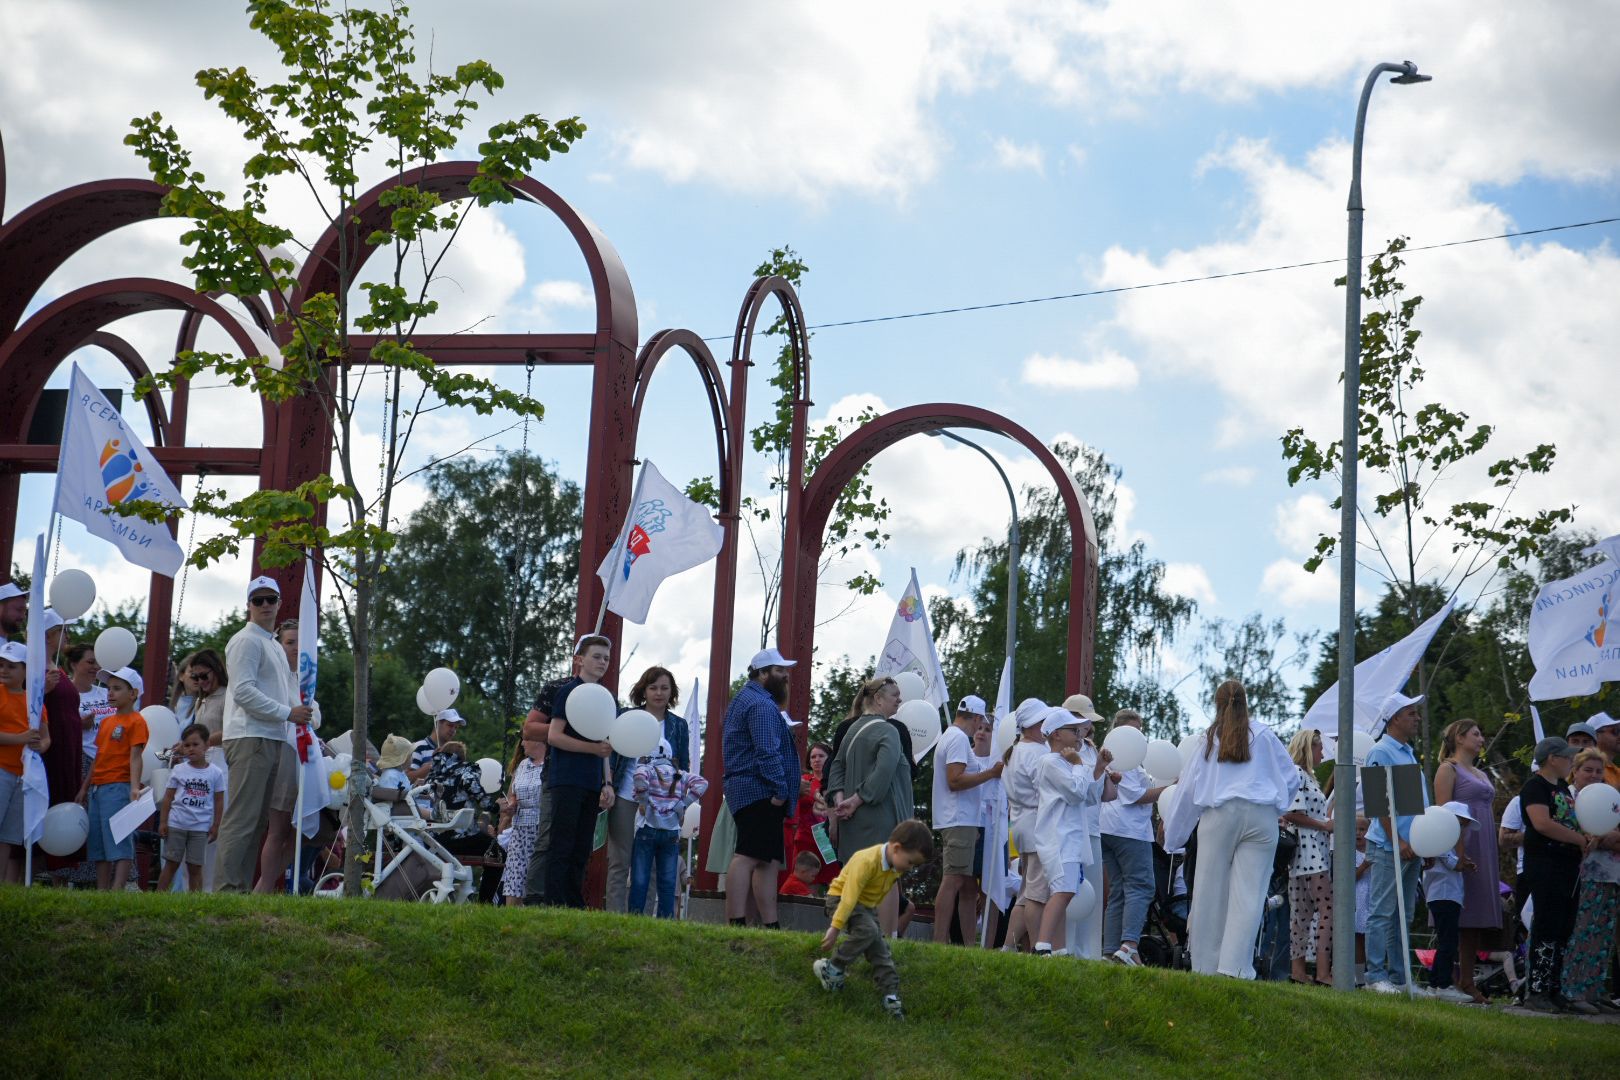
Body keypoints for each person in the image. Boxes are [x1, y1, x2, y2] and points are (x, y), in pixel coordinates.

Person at [1164, 680, 1299, 980]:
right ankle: (1235, 968)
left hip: (1220, 815)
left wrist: (1174, 838)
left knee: (1209, 892)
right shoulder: (1264, 735)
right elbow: (1292, 777)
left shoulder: (1208, 739)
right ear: (1246, 702)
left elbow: (1187, 791)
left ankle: (1205, 967)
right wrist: (1275, 806)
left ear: (1217, 703)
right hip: (1262, 817)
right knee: (1249, 896)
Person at [216, 576, 312, 894]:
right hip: (249, 737)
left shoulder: (270, 643)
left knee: (256, 822)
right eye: (258, 600)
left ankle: (238, 890)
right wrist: (289, 713)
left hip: (267, 737)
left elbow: (286, 693)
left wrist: (301, 711)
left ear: (280, 602)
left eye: (271, 598)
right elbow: (242, 692)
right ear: (249, 605)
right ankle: (227, 891)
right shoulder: (246, 641)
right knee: (243, 819)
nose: (265, 605)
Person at [812, 818, 935, 1022]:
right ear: (896, 848)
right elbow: (849, 897)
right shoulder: (867, 861)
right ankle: (831, 968)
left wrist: (873, 923)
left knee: (881, 950)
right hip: (840, 899)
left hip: (865, 909)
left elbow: (873, 899)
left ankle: (891, 997)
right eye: (910, 862)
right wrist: (835, 929)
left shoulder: (895, 867)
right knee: (868, 931)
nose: (910, 868)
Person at [721, 648, 802, 929]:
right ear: (763, 673)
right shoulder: (761, 706)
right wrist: (781, 791)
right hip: (759, 790)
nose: (785, 676)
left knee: (767, 860)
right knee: (747, 856)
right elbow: (767, 751)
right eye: (780, 671)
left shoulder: (750, 700)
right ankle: (736, 921)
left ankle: (770, 924)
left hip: (753, 788)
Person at [825, 676, 912, 934]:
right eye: (895, 694)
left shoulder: (851, 729)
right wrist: (855, 800)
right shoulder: (889, 730)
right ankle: (886, 938)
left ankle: (858, 936)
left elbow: (836, 767)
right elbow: (882, 774)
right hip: (881, 817)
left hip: (853, 821)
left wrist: (841, 800)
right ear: (877, 698)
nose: (900, 699)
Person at [1518, 736, 1596, 1012]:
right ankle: (1536, 990)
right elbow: (1542, 823)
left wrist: (1585, 834)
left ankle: (1554, 988)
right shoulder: (1535, 787)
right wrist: (1576, 838)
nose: (1571, 762)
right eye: (1567, 757)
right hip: (1545, 863)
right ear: (1553, 758)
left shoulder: (1562, 788)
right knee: (1547, 926)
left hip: (1568, 866)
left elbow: (1571, 818)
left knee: (1564, 927)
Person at [1359, 691, 1430, 994]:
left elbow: (1412, 806)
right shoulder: (1381, 752)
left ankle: (1400, 979)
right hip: (1391, 846)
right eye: (1411, 713)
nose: (1417, 718)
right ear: (1395, 718)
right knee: (1382, 911)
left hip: (1410, 846)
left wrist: (1420, 843)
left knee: (1403, 915)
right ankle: (1375, 976)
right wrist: (1398, 840)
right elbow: (1378, 804)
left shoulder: (1407, 752)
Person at [605, 666, 691, 914]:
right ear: (643, 690)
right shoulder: (626, 716)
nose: (659, 693)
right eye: (653, 687)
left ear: (671, 692)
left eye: (664, 688)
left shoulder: (678, 726)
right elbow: (612, 755)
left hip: (661, 803)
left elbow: (682, 766)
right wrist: (607, 784)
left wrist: (681, 803)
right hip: (626, 795)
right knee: (620, 859)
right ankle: (614, 916)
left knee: (652, 863)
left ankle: (641, 918)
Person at [1431, 718, 1502, 1003]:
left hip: (1484, 845)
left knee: (1476, 916)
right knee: (1457, 914)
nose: (1481, 738)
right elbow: (1443, 813)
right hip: (1462, 844)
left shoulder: (1481, 774)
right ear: (1459, 737)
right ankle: (1446, 978)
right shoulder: (1448, 769)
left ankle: (1467, 980)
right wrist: (1457, 851)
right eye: (1476, 733)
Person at [1030, 705, 1109, 956]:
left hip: (1070, 837)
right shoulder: (1050, 762)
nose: (1079, 735)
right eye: (1073, 730)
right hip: (1059, 837)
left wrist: (1097, 768)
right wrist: (1078, 765)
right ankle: (1042, 945)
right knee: (1063, 891)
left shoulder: (1065, 763)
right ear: (1055, 734)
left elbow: (1088, 797)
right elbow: (1075, 793)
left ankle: (1061, 949)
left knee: (1066, 892)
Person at [544, 634, 616, 909]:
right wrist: (591, 750)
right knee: (562, 842)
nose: (602, 662)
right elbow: (554, 736)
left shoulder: (606, 698)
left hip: (591, 781)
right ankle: (555, 902)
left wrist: (607, 782)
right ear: (579, 660)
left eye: (606, 658)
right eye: (596, 656)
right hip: (566, 777)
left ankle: (574, 902)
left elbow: (606, 744)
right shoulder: (568, 692)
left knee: (583, 846)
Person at [254, 618, 321, 895]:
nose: (295, 648)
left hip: (305, 758)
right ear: (279, 645)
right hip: (284, 754)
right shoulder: (274, 677)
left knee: (303, 832)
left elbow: (315, 716)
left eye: (299, 643)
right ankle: (264, 887)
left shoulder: (305, 679)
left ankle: (265, 886)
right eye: (289, 642)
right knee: (278, 828)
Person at [931, 695, 1003, 944]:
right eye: (979, 722)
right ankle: (939, 940)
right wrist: (990, 774)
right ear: (973, 717)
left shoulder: (949, 736)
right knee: (953, 880)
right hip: (958, 817)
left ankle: (967, 944)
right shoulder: (959, 739)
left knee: (964, 884)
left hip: (958, 817)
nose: (978, 728)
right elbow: (956, 780)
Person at [1100, 707, 1167, 967]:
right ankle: (1129, 945)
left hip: (1108, 828)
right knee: (1141, 886)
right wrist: (1172, 788)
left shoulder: (1111, 758)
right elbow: (1137, 797)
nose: (1139, 737)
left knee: (1119, 889)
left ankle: (1110, 950)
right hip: (1128, 831)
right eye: (1135, 731)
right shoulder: (1124, 758)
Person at [1559, 748, 1620, 1013]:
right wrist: (1605, 836)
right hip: (1581, 875)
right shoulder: (1569, 798)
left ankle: (1594, 991)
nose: (1594, 775)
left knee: (1602, 935)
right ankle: (1572, 990)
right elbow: (1578, 831)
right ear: (1576, 770)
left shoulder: (1609, 797)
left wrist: (1607, 836)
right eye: (1588, 770)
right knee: (1581, 932)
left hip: (1610, 874)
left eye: (1599, 771)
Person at [75, 666, 147, 891]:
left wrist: (134, 787)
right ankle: (102, 889)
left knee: (119, 837)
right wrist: (84, 788)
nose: (110, 693)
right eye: (108, 688)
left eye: (117, 688)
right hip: (97, 787)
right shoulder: (106, 722)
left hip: (118, 786)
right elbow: (98, 757)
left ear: (133, 693)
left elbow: (136, 756)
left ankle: (116, 889)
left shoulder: (137, 721)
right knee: (97, 842)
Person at [1061, 693, 1117, 959]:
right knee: (1071, 889)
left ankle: (1090, 953)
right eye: (1083, 721)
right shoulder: (1063, 749)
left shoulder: (1091, 749)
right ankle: (1067, 948)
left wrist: (1102, 771)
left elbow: (1096, 796)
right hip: (1071, 828)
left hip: (1092, 828)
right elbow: (1075, 791)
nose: (1088, 727)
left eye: (1088, 723)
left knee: (1092, 894)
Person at [630, 738, 708, 918]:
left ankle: (634, 917)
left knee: (640, 878)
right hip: (672, 831)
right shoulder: (680, 774)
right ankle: (665, 920)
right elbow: (703, 783)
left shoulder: (647, 768)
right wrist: (683, 804)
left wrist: (643, 801)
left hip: (646, 828)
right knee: (667, 880)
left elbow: (639, 778)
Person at [1282, 728, 1333, 986]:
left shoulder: (1306, 777)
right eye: (1319, 747)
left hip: (1309, 849)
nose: (1322, 752)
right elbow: (1292, 813)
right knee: (1326, 908)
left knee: (1302, 912)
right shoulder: (1297, 774)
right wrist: (1324, 825)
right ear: (1308, 749)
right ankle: (1322, 972)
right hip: (1309, 848)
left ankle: (1299, 971)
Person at [1003, 698, 1051, 951]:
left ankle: (1009, 947)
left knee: (1026, 893)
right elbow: (1047, 791)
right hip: (1037, 827)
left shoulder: (1016, 751)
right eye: (1042, 721)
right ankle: (1037, 948)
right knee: (1037, 894)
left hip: (1021, 826)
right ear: (1033, 725)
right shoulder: (1037, 752)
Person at [156, 723, 227, 893]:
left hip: (200, 828)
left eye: (196, 745)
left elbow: (219, 801)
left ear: (207, 745)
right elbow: (168, 798)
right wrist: (163, 822)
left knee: (195, 867)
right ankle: (157, 897)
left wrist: (216, 825)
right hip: (177, 825)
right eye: (186, 745)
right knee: (171, 864)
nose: (191, 749)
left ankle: (196, 901)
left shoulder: (216, 773)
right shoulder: (179, 770)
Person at [0, 641, 49, 883]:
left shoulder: (35, 698)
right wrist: (20, 738)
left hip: (24, 774)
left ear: (25, 670)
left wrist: (40, 745)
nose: (4, 670)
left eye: (11, 666)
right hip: (1, 770)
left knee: (9, 837)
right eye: (1, 665)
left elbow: (46, 736)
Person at [1421, 801, 1478, 1003]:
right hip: (1443, 895)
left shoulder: (1447, 844)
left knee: (1447, 940)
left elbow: (1455, 862)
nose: (1461, 829)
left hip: (1447, 895)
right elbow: (1452, 863)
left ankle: (1435, 982)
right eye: (1459, 824)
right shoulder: (1441, 842)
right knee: (1449, 941)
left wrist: (1462, 860)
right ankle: (1442, 983)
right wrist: (1461, 860)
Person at [498, 719, 547, 905]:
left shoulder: (550, 766)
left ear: (537, 741)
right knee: (515, 877)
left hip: (540, 828)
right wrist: (510, 804)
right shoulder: (523, 765)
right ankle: (511, 918)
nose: (522, 743)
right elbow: (513, 794)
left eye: (525, 739)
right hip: (520, 830)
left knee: (535, 876)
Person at [789, 741, 835, 886]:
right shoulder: (804, 781)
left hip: (829, 840)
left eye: (821, 756)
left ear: (829, 758)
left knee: (833, 880)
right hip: (806, 839)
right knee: (805, 880)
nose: (817, 760)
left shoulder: (837, 781)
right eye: (813, 757)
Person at [185, 650, 228, 746]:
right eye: (195, 677)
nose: (200, 681)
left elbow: (232, 731)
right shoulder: (200, 701)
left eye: (204, 676)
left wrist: (198, 743)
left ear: (218, 669)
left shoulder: (228, 696)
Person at [167, 651, 199, 725]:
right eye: (192, 673)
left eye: (201, 673)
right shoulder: (174, 703)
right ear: (181, 676)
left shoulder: (205, 703)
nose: (197, 677)